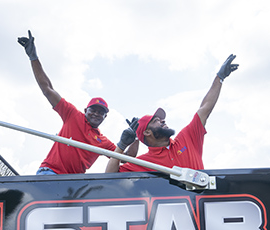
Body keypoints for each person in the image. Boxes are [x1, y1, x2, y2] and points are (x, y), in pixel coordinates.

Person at [18, 30, 135, 175]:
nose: (96, 114)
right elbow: (48, 89)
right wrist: (33, 57)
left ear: (105, 117)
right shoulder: (72, 115)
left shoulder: (102, 142)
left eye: (101, 112)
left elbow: (128, 160)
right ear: (85, 110)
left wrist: (135, 136)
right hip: (51, 173)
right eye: (93, 110)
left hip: (73, 185)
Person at [105, 54, 239, 173]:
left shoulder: (187, 137)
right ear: (147, 133)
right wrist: (121, 145)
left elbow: (204, 108)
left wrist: (219, 78)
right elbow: (110, 176)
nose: (163, 121)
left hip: (199, 200)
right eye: (156, 120)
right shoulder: (143, 162)